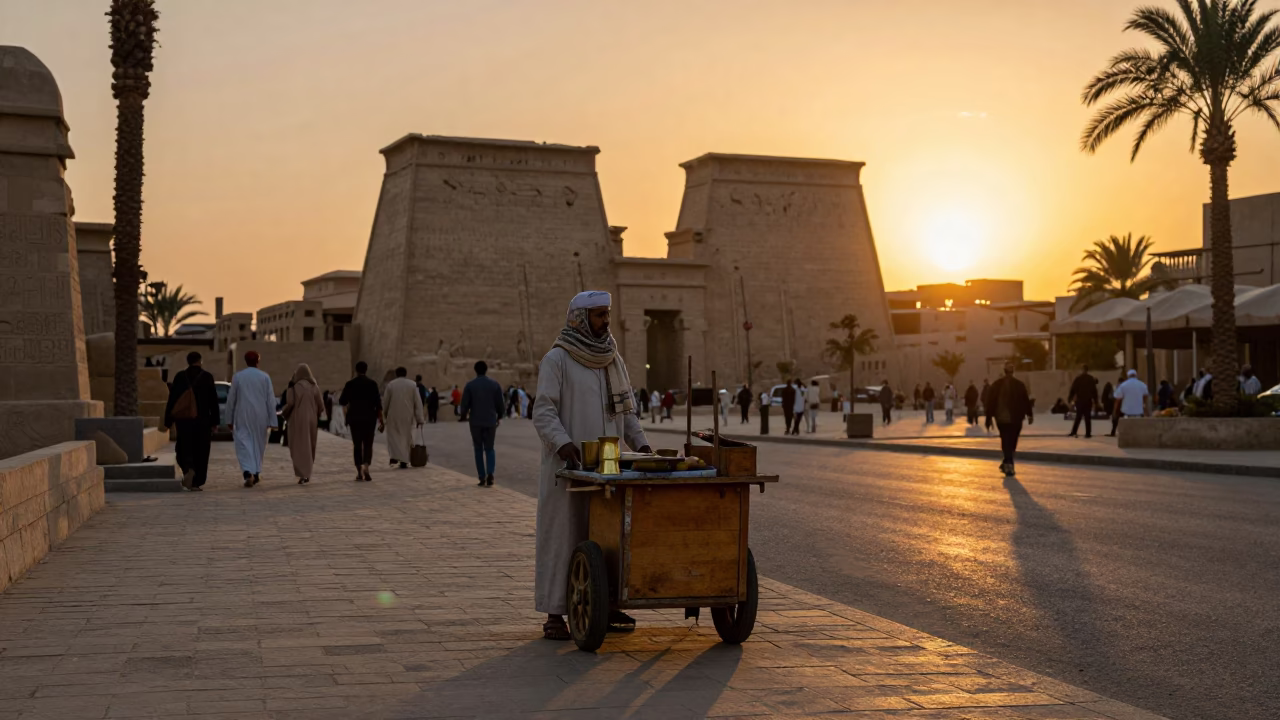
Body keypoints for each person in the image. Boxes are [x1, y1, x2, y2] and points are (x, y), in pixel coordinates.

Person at [532, 291, 652, 641]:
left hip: (608, 465)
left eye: (607, 314)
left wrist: (642, 444)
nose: (606, 322)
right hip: (568, 467)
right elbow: (543, 411)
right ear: (581, 319)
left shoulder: (612, 359)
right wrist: (563, 442)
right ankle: (556, 612)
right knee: (564, 537)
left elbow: (625, 413)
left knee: (609, 537)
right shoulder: (557, 360)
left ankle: (607, 606)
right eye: (599, 315)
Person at [164, 351, 220, 491]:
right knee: (201, 450)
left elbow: (172, 400)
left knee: (183, 447)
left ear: (188, 361)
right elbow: (213, 401)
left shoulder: (180, 377)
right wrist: (214, 422)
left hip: (184, 421)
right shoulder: (207, 377)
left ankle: (188, 467)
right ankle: (196, 482)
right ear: (200, 361)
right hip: (202, 421)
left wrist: (168, 420)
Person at [225, 350, 277, 488]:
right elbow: (270, 400)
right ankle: (256, 471)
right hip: (261, 416)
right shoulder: (264, 377)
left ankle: (248, 472)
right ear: (258, 361)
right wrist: (273, 421)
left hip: (243, 415)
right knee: (258, 445)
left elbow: (231, 399)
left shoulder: (238, 377)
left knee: (243, 443)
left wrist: (229, 419)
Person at [985, 360, 1034, 476]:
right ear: (1013, 371)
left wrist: (989, 418)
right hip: (1015, 418)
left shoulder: (996, 385)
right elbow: (1026, 401)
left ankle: (1007, 461)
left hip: (1002, 418)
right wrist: (1030, 414)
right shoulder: (1019, 385)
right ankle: (1009, 465)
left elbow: (990, 402)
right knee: (1012, 441)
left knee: (1005, 441)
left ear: (1004, 371)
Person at [461, 360, 506, 486]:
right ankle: (490, 472)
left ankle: (481, 476)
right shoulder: (494, 384)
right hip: (490, 420)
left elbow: (464, 404)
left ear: (475, 370)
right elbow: (500, 404)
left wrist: (463, 415)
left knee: (478, 449)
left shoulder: (470, 385)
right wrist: (500, 416)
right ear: (486, 370)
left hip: (475, 421)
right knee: (490, 448)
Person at [339, 361, 382, 482]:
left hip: (355, 418)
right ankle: (367, 465)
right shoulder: (372, 384)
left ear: (356, 370)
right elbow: (378, 403)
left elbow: (342, 401)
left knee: (357, 444)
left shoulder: (350, 384)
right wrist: (381, 418)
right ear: (366, 370)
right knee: (368, 444)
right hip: (369, 418)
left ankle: (359, 471)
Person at [283, 363, 324, 485]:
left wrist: (284, 414)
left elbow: (290, 403)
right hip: (312, 419)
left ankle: (302, 474)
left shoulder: (294, 387)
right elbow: (321, 405)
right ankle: (308, 472)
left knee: (299, 446)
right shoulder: (314, 387)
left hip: (297, 419)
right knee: (310, 445)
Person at [382, 367, 424, 469]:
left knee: (394, 437)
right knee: (406, 438)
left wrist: (384, 416)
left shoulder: (391, 385)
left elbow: (385, 402)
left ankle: (396, 456)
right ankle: (404, 459)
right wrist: (420, 418)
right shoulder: (413, 385)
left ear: (396, 374)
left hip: (393, 416)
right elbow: (418, 403)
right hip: (408, 416)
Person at [1111, 369, 1149, 435]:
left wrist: (1115, 410)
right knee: (1138, 431)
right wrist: (1144, 405)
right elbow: (1145, 396)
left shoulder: (1123, 385)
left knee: (1127, 432)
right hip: (1139, 412)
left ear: (1128, 376)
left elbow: (1118, 399)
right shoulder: (1142, 385)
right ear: (1136, 375)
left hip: (1126, 412)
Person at [1067, 365, 1099, 438]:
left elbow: (1073, 389)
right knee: (1087, 417)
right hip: (1088, 401)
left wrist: (1070, 398)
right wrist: (1096, 402)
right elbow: (1094, 392)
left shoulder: (1078, 379)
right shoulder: (1091, 379)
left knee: (1078, 417)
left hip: (1080, 401)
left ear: (1082, 370)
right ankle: (1088, 433)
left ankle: (1073, 432)